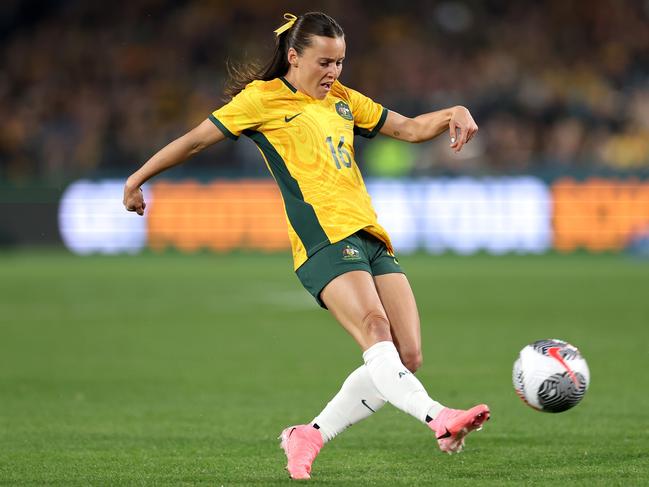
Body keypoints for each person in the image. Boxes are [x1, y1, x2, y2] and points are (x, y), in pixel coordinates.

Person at [123, 11, 489, 481]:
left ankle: (309, 434)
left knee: (407, 356)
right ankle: (438, 417)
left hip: (369, 236)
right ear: (294, 57)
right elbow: (195, 142)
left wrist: (452, 112)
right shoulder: (263, 100)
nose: (333, 72)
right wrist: (137, 179)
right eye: (324, 62)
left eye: (340, 62)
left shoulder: (341, 99)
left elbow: (409, 128)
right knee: (375, 328)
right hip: (322, 239)